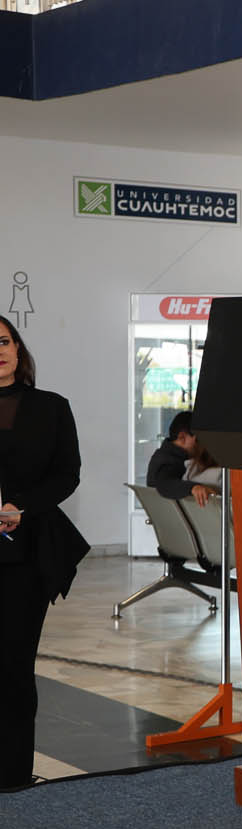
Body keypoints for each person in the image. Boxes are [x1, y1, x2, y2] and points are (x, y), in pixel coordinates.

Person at [0, 314, 91, 792]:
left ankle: (12, 774)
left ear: (18, 348)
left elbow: (67, 474)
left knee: (15, 665)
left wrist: (22, 507)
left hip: (27, 551)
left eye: (3, 341)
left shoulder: (52, 407)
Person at [147, 411, 214, 506]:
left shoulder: (165, 455)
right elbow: (165, 484)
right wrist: (193, 488)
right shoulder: (169, 460)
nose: (201, 445)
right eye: (197, 440)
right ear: (182, 437)